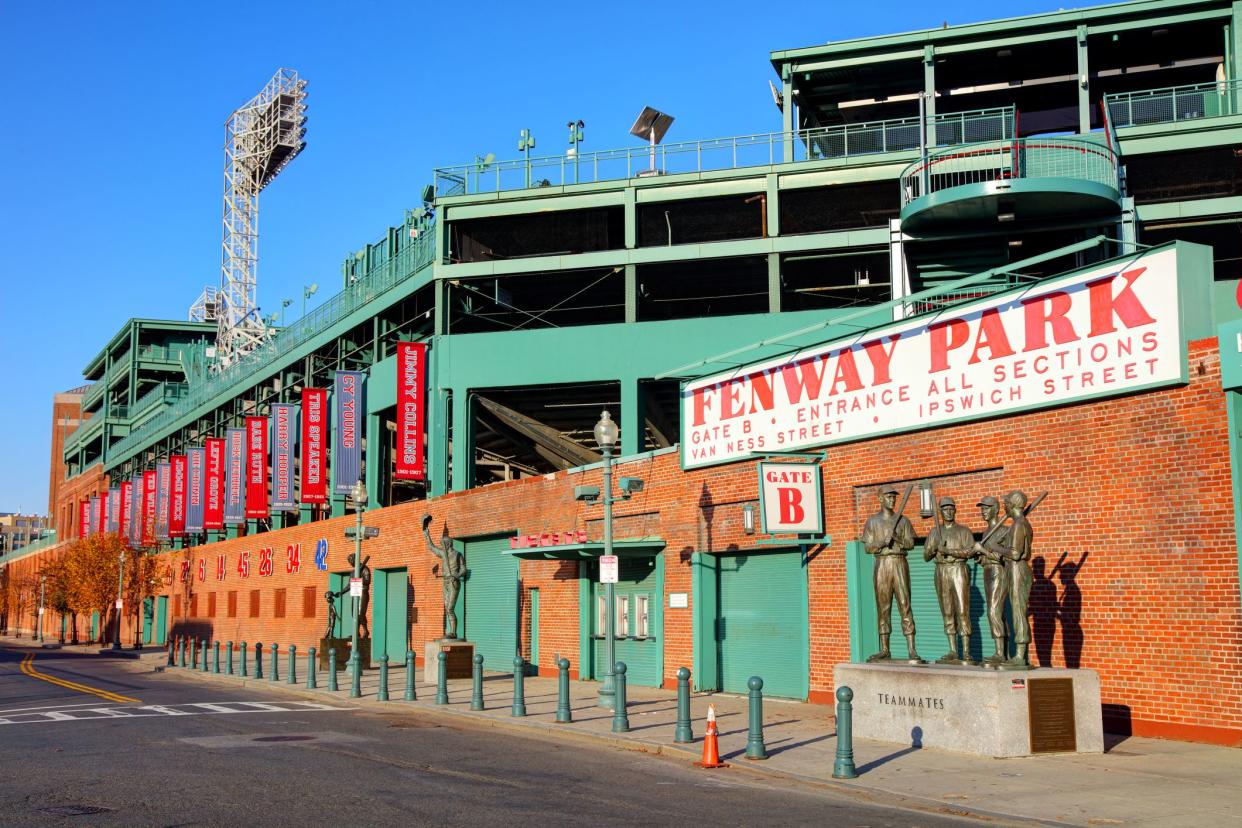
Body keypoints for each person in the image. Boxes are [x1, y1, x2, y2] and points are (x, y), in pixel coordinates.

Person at [861, 487, 923, 663]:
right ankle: (885, 649)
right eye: (888, 497)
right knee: (883, 607)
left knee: (905, 604)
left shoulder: (903, 521)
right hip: (882, 563)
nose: (892, 500)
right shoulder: (872, 522)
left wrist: (897, 538)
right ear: (880, 498)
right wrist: (881, 542)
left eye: (894, 497)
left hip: (899, 562)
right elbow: (867, 548)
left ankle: (912, 648)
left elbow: (911, 544)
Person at [924, 496, 977, 664]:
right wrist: (934, 548)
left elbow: (970, 552)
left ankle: (967, 651)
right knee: (947, 611)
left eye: (951, 509)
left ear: (955, 510)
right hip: (941, 571)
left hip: (958, 569)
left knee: (962, 610)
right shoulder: (934, 532)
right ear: (940, 512)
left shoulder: (963, 531)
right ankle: (953, 650)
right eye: (945, 509)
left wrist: (949, 551)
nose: (948, 512)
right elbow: (925, 556)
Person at [973, 495, 1010, 665]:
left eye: (987, 508)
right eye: (982, 508)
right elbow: (988, 558)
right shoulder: (987, 532)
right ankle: (1003, 652)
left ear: (996, 509)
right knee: (997, 613)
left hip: (998, 572)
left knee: (993, 611)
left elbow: (1002, 557)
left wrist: (984, 550)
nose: (983, 511)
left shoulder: (1004, 531)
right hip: (988, 572)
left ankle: (1000, 653)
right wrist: (980, 557)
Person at [1000, 490, 1034, 669]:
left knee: (1019, 611)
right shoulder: (1019, 524)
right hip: (1014, 569)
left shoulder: (1019, 524)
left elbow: (1014, 553)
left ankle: (1020, 655)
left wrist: (995, 548)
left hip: (1017, 569)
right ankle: (1019, 653)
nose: (1004, 506)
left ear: (1012, 505)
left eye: (1006, 503)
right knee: (1016, 610)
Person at [423, 514, 466, 639]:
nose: (441, 546)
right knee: (447, 608)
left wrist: (456, 575)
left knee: (450, 608)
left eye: (443, 544)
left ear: (448, 544)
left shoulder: (458, 554)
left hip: (454, 582)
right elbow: (431, 547)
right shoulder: (443, 554)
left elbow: (463, 569)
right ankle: (451, 632)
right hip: (445, 582)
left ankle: (454, 632)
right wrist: (426, 533)